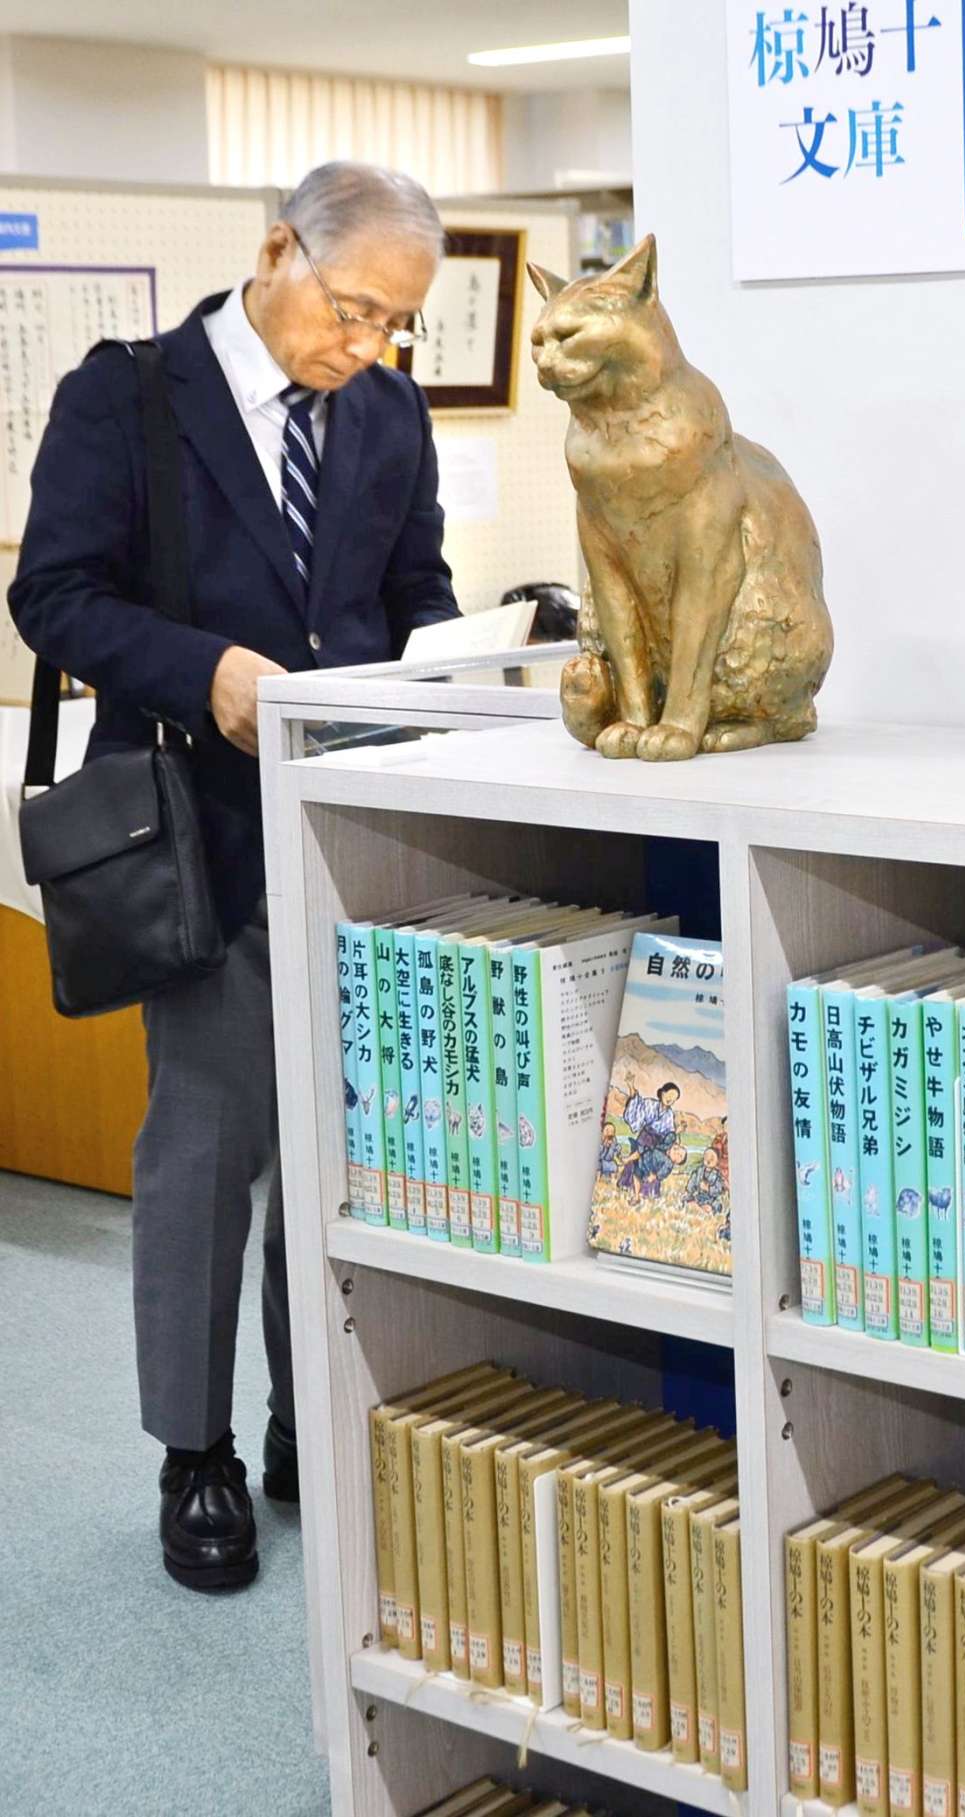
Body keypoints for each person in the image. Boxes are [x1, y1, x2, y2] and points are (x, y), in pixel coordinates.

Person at [8, 162, 459, 1593]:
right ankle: (190, 1447)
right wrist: (204, 671)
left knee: (336, 1158)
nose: (372, 345)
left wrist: (462, 664)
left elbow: (414, 592)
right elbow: (55, 594)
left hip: (358, 838)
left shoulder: (385, 414)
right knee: (208, 1146)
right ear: (276, 250)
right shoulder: (127, 396)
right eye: (356, 307)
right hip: (199, 834)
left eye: (398, 323)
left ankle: (297, 1421)